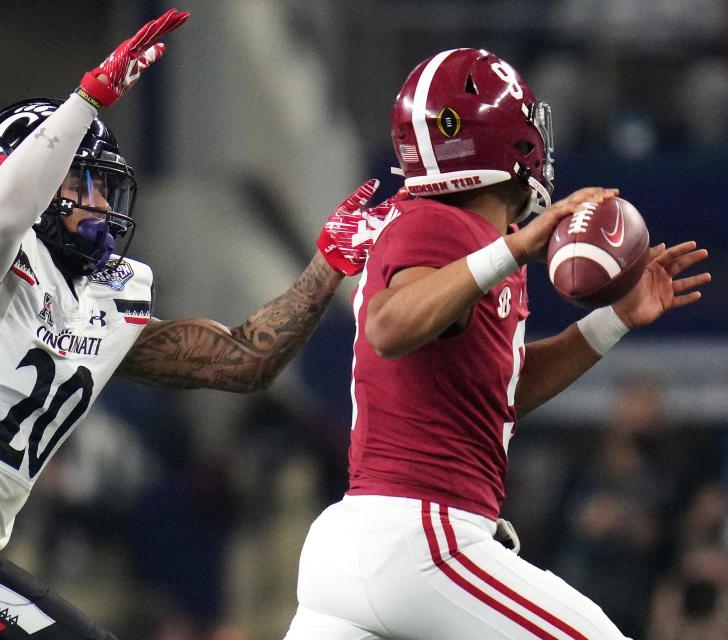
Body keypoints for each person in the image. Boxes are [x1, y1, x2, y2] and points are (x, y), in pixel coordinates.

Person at [0, 9, 388, 640]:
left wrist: (326, 266)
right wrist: (87, 100)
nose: (98, 203)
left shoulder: (97, 301)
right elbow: (1, 220)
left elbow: (242, 362)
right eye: (82, 181)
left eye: (102, 186)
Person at [282, 48, 711, 640]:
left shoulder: (482, 244)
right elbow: (389, 326)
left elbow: (499, 392)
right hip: (422, 538)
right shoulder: (440, 223)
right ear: (503, 138)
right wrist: (515, 249)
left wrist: (613, 320)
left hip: (366, 545)